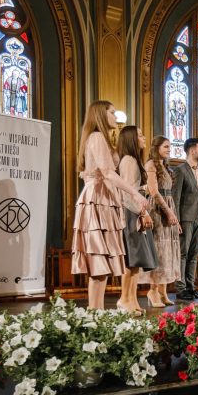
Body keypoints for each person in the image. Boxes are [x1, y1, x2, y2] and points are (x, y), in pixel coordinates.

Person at [71, 100, 145, 310]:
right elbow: (108, 172)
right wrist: (135, 194)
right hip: (97, 199)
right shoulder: (96, 137)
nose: (115, 116)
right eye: (112, 112)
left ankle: (97, 311)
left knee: (102, 263)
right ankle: (95, 311)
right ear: (100, 115)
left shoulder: (101, 139)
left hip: (105, 199)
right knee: (98, 260)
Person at [136, 136, 181, 306]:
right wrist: (168, 212)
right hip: (157, 210)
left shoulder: (164, 166)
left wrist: (175, 217)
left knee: (167, 251)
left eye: (169, 146)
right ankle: (152, 291)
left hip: (168, 205)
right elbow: (154, 192)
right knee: (159, 251)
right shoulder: (151, 165)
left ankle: (162, 291)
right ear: (156, 148)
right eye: (166, 146)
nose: (169, 149)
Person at [117, 126, 153, 314]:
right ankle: (124, 299)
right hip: (130, 213)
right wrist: (142, 212)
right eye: (139, 135)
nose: (143, 137)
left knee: (136, 261)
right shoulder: (129, 161)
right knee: (131, 260)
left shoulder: (131, 160)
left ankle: (132, 299)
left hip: (133, 212)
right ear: (131, 139)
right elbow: (127, 194)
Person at [172, 137, 198, 301]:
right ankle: (181, 288)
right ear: (192, 151)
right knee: (183, 253)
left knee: (194, 254)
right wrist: (176, 221)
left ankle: (191, 287)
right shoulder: (180, 170)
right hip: (185, 218)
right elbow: (176, 197)